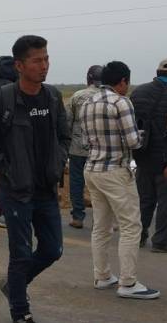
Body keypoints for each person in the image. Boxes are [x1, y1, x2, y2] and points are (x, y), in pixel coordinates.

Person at [0, 35, 69, 323]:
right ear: (19, 65)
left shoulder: (53, 97)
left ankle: (12, 286)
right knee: (20, 254)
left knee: (53, 249)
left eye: (46, 59)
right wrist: (8, 167)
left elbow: (64, 136)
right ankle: (20, 312)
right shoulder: (2, 99)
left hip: (46, 190)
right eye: (37, 60)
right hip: (16, 191)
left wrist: (59, 159)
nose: (44, 65)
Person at [80, 61, 160, 300]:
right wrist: (142, 132)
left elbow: (85, 142)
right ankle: (128, 282)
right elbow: (133, 141)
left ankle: (102, 276)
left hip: (92, 169)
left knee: (101, 226)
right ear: (123, 81)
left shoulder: (87, 102)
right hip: (115, 170)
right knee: (131, 226)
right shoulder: (121, 102)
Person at [129, 58, 167, 252]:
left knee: (144, 199)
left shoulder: (138, 92)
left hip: (142, 155)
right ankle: (161, 240)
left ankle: (138, 236)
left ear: (157, 73)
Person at [66, 65, 104, 229]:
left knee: (76, 182)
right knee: (101, 184)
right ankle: (103, 218)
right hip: (100, 150)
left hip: (77, 147)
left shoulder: (77, 96)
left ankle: (78, 217)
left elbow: (68, 121)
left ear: (88, 78)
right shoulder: (109, 97)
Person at [0, 55, 18, 228]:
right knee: (10, 178)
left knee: (0, 176)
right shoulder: (12, 89)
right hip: (10, 141)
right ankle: (6, 214)